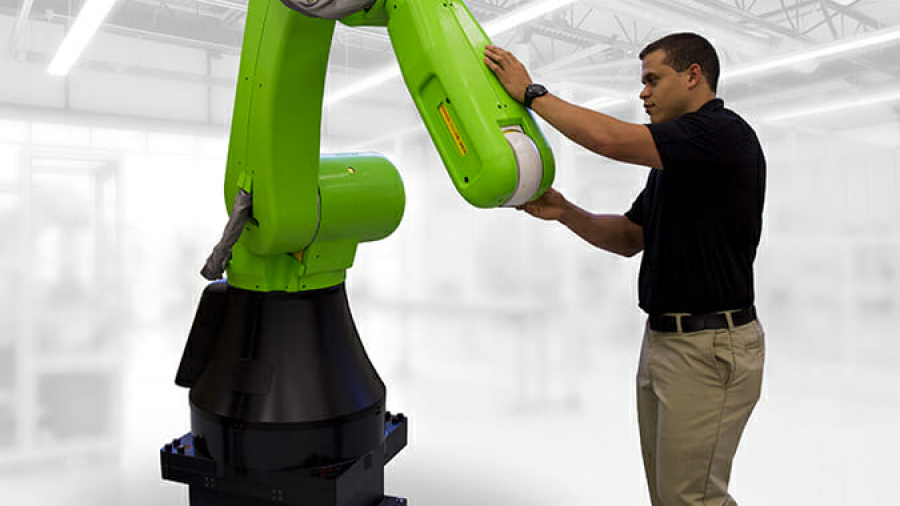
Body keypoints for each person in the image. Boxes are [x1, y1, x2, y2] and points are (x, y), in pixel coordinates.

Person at [485, 33, 766, 506]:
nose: (643, 93)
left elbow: (611, 139)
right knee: (672, 497)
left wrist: (532, 94)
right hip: (665, 344)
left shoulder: (723, 135)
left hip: (709, 347)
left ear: (693, 75)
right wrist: (566, 211)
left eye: (653, 80)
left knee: (692, 499)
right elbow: (630, 238)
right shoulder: (675, 165)